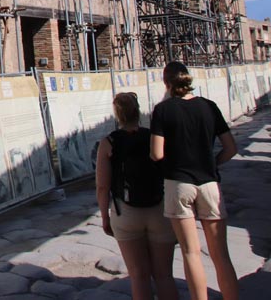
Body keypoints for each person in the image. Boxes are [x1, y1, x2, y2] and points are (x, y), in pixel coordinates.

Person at [150, 61, 238, 300]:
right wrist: (212, 163)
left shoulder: (163, 110)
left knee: (191, 252)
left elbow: (156, 153)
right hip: (208, 181)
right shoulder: (209, 106)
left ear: (166, 83)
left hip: (178, 182)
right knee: (221, 255)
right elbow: (231, 148)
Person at [96, 92, 178, 300]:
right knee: (164, 275)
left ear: (117, 115)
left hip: (126, 211)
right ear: (138, 111)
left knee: (139, 276)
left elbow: (102, 186)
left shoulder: (108, 142)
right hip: (159, 208)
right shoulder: (154, 137)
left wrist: (105, 217)